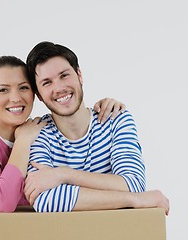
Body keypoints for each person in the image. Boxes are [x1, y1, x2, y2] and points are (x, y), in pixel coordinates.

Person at [0, 55, 126, 212]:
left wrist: (105, 108)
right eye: (3, 90)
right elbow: (4, 201)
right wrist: (23, 141)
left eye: (23, 87)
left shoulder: (42, 132)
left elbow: (67, 191)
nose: (15, 98)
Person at [24, 41, 170, 215]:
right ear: (39, 95)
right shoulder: (36, 133)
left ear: (79, 75)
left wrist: (63, 175)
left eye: (64, 75)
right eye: (47, 82)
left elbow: (133, 184)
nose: (59, 88)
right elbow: (45, 201)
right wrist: (136, 200)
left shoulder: (116, 118)